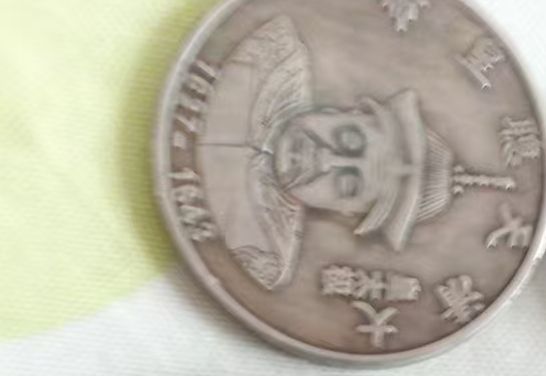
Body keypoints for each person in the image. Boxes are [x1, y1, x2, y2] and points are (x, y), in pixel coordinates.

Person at [196, 16, 514, 288]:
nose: (325, 159)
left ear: (345, 212)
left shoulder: (264, 253)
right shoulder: (274, 51)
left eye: (348, 183)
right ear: (348, 112)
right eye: (349, 140)